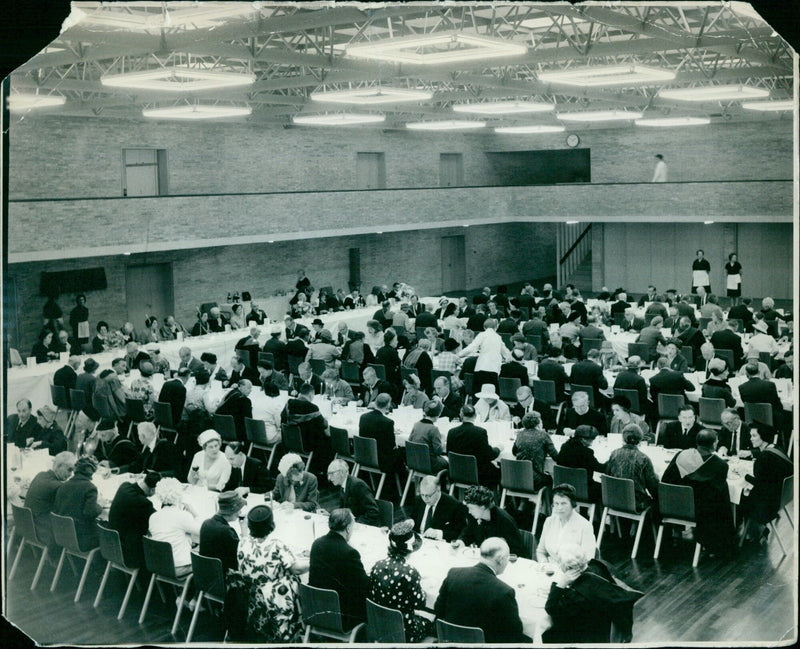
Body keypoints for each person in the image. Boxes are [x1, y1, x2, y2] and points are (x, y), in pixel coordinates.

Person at [543, 543, 643, 644]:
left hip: (591, 636)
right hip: (610, 621)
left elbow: (551, 608)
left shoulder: (577, 596)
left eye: (559, 562)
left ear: (567, 568)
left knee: (547, 634)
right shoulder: (599, 565)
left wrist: (561, 584)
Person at [435, 537, 528, 644]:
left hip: (450, 641)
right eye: (507, 557)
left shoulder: (453, 574)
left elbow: (438, 610)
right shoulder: (504, 592)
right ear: (501, 559)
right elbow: (515, 634)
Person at [236, 504, 308, 642]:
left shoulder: (242, 543)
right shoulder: (276, 545)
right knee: (300, 578)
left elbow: (247, 539)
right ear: (271, 525)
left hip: (253, 597)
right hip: (275, 599)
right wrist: (315, 561)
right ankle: (293, 629)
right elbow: (296, 569)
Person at [661, 429, 736, 559]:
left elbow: (665, 479)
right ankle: (717, 545)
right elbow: (714, 496)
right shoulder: (720, 465)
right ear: (714, 444)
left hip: (671, 506)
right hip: (697, 511)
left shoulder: (681, 455)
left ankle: (676, 532)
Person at [369, 519, 432, 642]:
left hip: (379, 625)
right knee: (431, 617)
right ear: (410, 549)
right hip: (405, 632)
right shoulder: (410, 572)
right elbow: (420, 603)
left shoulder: (377, 565)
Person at [309, 508, 370, 630]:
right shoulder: (349, 553)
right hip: (342, 615)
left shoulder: (317, 543)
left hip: (317, 609)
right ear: (348, 529)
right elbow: (365, 587)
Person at [738, 427, 793, 541]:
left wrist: (744, 475)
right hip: (784, 497)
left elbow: (759, 485)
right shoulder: (775, 447)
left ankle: (754, 530)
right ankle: (757, 528)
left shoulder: (764, 458)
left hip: (769, 504)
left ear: (762, 437)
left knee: (738, 497)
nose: (751, 439)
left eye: (754, 436)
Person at [148, 477, 202, 577]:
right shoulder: (182, 516)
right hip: (179, 568)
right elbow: (202, 531)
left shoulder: (153, 517)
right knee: (204, 556)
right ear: (179, 495)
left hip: (158, 565)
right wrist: (196, 515)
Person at [24, 451, 77, 550]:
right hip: (43, 531)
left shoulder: (40, 475)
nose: (71, 474)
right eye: (69, 470)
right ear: (59, 466)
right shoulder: (58, 486)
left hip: (27, 526)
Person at [108, 471, 160, 567]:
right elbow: (158, 520)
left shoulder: (124, 486)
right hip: (129, 554)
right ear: (152, 490)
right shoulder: (144, 503)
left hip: (112, 547)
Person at [454, 485, 524, 557]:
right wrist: (461, 541)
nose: (469, 511)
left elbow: (517, 551)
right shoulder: (475, 515)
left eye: (471, 508)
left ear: (482, 507)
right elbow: (469, 532)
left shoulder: (504, 521)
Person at [53, 455, 103, 551]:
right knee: (105, 529)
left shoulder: (63, 486)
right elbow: (90, 512)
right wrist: (100, 506)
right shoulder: (90, 488)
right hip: (81, 539)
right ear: (92, 472)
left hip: (62, 535)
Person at [537, 484, 596, 563]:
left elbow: (588, 559)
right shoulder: (549, 521)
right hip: (550, 569)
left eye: (564, 503)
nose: (559, 508)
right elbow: (540, 551)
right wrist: (544, 563)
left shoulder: (585, 525)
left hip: (574, 571)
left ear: (572, 504)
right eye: (556, 504)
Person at [605, 425, 659, 512]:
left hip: (613, 499)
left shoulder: (614, 454)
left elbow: (608, 475)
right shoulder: (643, 458)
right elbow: (653, 487)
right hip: (636, 502)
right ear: (640, 440)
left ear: (623, 439)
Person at [446, 404, 501, 488]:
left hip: (456, 473)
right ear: (475, 416)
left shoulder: (452, 432)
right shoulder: (480, 432)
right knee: (499, 469)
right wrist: (498, 449)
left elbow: (448, 453)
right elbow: (488, 455)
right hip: (477, 475)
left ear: (461, 415)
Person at [358, 393, 405, 478]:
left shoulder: (363, 417)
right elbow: (392, 446)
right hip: (381, 461)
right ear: (388, 405)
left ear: (375, 403)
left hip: (364, 455)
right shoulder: (388, 422)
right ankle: (404, 484)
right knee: (402, 453)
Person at [199, 490, 246, 573]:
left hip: (206, 576)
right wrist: (244, 532)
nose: (240, 512)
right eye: (239, 509)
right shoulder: (227, 531)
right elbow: (242, 557)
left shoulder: (206, 524)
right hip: (225, 579)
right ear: (232, 511)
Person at [457, 318, 511, 390]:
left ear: (484, 327)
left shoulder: (482, 335)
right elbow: (506, 352)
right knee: (492, 393)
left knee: (478, 392)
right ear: (496, 327)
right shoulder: (498, 337)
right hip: (494, 369)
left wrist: (458, 355)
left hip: (482, 367)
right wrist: (510, 358)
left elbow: (472, 347)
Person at [555, 425, 605, 503]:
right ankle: (598, 514)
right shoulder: (586, 452)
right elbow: (600, 468)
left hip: (564, 488)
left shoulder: (564, 447)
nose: (593, 441)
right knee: (605, 489)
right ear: (583, 439)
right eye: (592, 439)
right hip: (583, 491)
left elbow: (558, 462)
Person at [412, 475, 468, 542]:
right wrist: (410, 521)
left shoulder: (454, 506)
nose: (425, 499)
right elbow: (413, 518)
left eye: (428, 495)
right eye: (422, 495)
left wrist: (438, 533)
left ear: (438, 490)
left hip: (438, 543)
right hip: (419, 540)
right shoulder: (418, 499)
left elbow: (460, 533)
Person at [513, 411, 558, 491]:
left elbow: (514, 452)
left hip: (518, 476)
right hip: (535, 479)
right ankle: (548, 503)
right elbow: (556, 456)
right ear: (539, 423)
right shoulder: (543, 435)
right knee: (550, 479)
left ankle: (524, 502)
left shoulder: (520, 434)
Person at [327, 459, 380, 526]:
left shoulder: (358, 485)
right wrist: (330, 515)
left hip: (364, 526)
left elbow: (373, 512)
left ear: (342, 472)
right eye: (328, 474)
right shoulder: (343, 485)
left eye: (331, 473)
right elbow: (343, 510)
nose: (329, 478)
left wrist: (354, 524)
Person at [408, 400, 448, 473]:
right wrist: (442, 440)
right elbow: (438, 451)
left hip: (414, 461)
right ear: (438, 415)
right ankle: (441, 484)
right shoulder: (434, 429)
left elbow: (409, 441)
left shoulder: (416, 424)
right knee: (448, 463)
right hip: (429, 464)